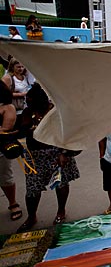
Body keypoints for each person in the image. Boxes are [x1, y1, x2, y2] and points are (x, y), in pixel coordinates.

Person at [17, 83, 80, 232]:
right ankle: (32, 216)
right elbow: (21, 132)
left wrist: (65, 153)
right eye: (27, 100)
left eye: (30, 100)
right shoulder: (27, 113)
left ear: (40, 101)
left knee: (61, 184)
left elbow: (69, 134)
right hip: (35, 157)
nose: (27, 103)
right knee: (32, 189)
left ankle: (61, 211)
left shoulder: (54, 112)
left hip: (56, 153)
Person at [0, 80, 22, 223]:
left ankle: (13, 203)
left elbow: (6, 129)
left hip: (1, 149)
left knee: (5, 177)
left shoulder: (7, 107)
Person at [2, 58, 31, 123]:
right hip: (14, 110)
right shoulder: (8, 78)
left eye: (22, 66)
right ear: (12, 67)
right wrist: (21, 94)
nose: (21, 69)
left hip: (25, 108)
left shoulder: (25, 76)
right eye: (18, 67)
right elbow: (3, 94)